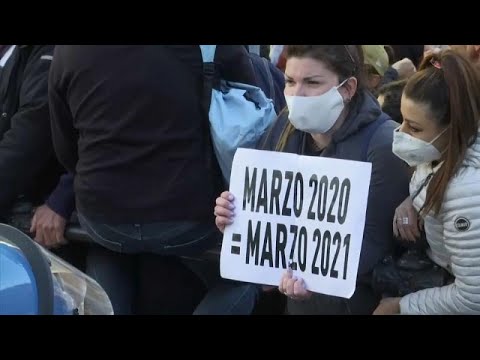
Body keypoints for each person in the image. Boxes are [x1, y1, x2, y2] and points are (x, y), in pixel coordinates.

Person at [48, 45, 257, 315]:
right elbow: (254, 106)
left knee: (108, 250)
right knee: (250, 275)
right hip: (189, 219)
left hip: (103, 216)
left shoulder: (69, 51)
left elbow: (64, 144)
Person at [210, 45, 411, 315]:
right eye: (290, 81)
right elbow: (265, 214)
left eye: (312, 83)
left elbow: (376, 247)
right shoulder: (284, 126)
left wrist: (312, 279)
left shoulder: (383, 145)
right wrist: (237, 221)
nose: (297, 95)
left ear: (348, 88)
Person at [373, 49, 480, 315]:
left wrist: (400, 306)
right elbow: (433, 175)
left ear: (452, 126)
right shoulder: (443, 148)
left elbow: (472, 298)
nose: (401, 134)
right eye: (402, 120)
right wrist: (414, 201)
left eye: (414, 127)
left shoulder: (467, 195)